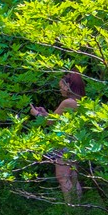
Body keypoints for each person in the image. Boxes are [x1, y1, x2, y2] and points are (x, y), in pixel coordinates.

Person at [31, 69, 86, 201]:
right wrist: (44, 113)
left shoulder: (68, 102)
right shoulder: (81, 102)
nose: (60, 90)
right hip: (76, 141)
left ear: (68, 86)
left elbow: (50, 122)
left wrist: (36, 114)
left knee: (63, 177)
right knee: (73, 177)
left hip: (65, 143)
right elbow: (56, 119)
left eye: (61, 87)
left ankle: (71, 211)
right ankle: (78, 209)